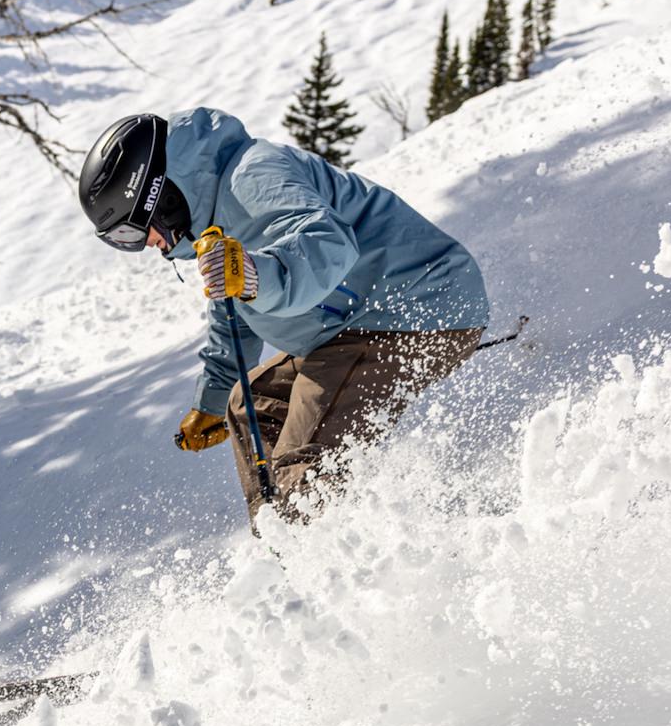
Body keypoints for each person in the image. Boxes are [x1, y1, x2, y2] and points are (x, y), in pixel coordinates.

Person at [78, 108, 490, 525]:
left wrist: (255, 275)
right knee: (249, 403)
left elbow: (327, 243)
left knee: (302, 469)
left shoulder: (252, 176)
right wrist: (214, 399)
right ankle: (279, 544)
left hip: (415, 308)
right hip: (358, 324)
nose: (142, 245)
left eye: (131, 233)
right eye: (119, 242)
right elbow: (234, 306)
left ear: (159, 197)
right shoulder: (213, 213)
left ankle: (313, 545)